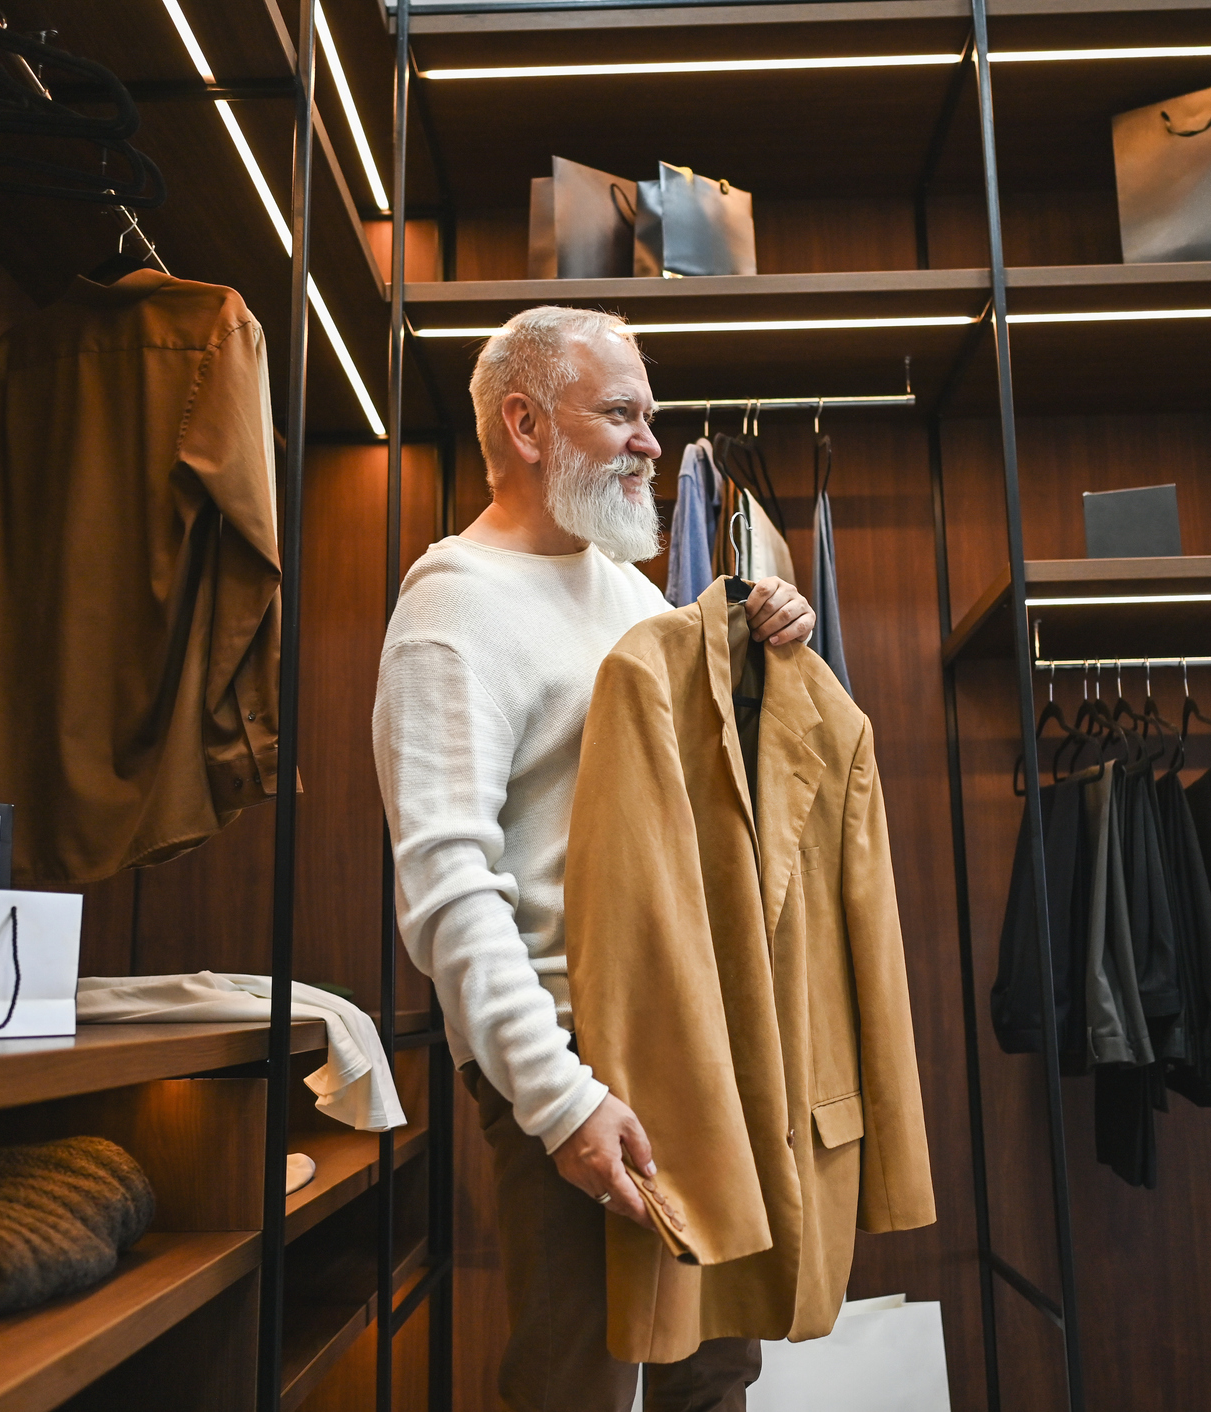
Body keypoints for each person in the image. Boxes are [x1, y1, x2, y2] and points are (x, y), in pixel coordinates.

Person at [372, 306, 816, 1411]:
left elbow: (675, 796)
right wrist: (560, 1102)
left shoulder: (623, 585)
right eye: (620, 413)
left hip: (678, 1033)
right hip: (569, 1053)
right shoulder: (451, 605)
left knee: (713, 1363)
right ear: (526, 424)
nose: (651, 443)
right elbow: (446, 889)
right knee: (578, 1373)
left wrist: (769, 644)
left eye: (648, 416)